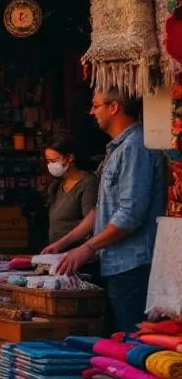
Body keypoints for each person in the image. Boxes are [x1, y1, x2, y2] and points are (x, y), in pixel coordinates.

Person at [51, 89, 165, 333]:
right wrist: (63, 244)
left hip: (132, 266)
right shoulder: (117, 149)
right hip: (116, 265)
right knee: (115, 341)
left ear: (114, 107)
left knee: (132, 341)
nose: (92, 112)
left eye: (96, 105)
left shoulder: (135, 147)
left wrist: (88, 247)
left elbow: (130, 215)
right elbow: (101, 209)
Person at [40, 136, 100, 250]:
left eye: (54, 161)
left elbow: (90, 222)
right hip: (57, 251)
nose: (50, 165)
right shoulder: (57, 184)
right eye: (48, 161)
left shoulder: (88, 183)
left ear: (70, 158)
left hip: (76, 253)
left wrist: (62, 243)